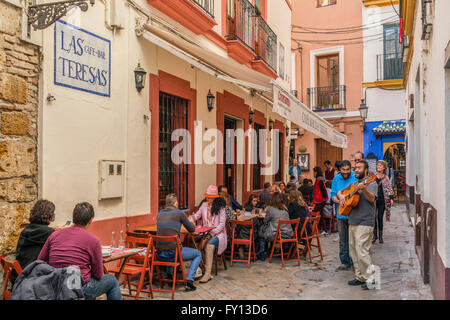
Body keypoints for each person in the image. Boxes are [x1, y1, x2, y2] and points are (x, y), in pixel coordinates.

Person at [38, 202, 122, 300]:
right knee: (112, 280)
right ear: (90, 220)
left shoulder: (54, 235)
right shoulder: (93, 241)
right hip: (78, 289)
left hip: (54, 286)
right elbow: (98, 274)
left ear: (73, 218)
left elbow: (40, 261)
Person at [337, 160, 378, 290]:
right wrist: (342, 197)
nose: (356, 170)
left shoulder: (371, 183)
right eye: (356, 168)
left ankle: (371, 279)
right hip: (352, 221)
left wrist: (364, 189)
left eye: (359, 168)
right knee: (353, 251)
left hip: (365, 222)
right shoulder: (353, 184)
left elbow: (372, 199)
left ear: (366, 170)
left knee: (362, 250)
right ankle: (360, 277)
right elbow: (340, 192)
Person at [156, 193, 202, 291]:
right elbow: (192, 229)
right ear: (176, 203)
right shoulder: (179, 213)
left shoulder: (159, 214)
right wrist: (191, 221)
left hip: (159, 254)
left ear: (166, 204)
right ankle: (189, 281)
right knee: (197, 253)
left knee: (169, 244)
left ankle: (170, 275)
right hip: (174, 254)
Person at [190, 185, 227, 283]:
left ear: (214, 198)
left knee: (209, 245)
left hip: (218, 233)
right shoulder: (204, 205)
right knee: (192, 242)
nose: (207, 198)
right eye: (206, 196)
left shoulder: (221, 207)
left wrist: (210, 235)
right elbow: (196, 216)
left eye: (209, 197)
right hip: (205, 233)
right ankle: (200, 267)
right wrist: (188, 219)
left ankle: (208, 273)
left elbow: (222, 225)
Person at [15, 200, 56, 273]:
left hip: (18, 272)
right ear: (49, 215)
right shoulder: (48, 233)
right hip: (30, 275)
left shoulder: (27, 229)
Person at [331, 160, 358, 271]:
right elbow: (333, 196)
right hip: (341, 214)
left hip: (353, 214)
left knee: (354, 240)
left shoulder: (355, 177)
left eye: (348, 169)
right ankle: (345, 262)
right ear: (339, 169)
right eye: (343, 170)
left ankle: (354, 261)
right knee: (343, 240)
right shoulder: (336, 179)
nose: (346, 172)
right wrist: (340, 201)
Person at [258, 192, 293, 261]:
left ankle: (262, 253)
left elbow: (265, 221)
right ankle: (271, 250)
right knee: (271, 228)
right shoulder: (285, 208)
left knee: (261, 233)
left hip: (277, 234)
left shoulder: (271, 209)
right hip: (288, 233)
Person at [372, 160, 394, 244]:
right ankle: (375, 235)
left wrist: (391, 198)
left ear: (384, 167)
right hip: (374, 200)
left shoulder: (386, 178)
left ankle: (380, 236)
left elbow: (389, 188)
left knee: (379, 217)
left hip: (382, 200)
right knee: (374, 217)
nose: (378, 167)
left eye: (380, 166)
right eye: (378, 165)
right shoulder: (373, 177)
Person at [312, 166, 329, 235]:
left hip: (320, 201)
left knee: (315, 213)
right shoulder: (320, 179)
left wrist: (323, 199)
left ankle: (312, 230)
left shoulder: (319, 180)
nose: (313, 173)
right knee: (320, 215)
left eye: (313, 172)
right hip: (321, 200)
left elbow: (323, 191)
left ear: (316, 172)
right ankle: (325, 230)